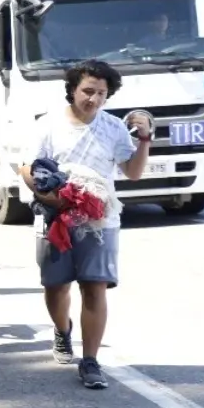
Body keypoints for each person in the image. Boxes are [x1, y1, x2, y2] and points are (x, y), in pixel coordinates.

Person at [19, 59, 150, 389]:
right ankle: (62, 332)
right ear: (73, 90)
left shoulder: (114, 128)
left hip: (100, 221)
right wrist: (53, 200)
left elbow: (133, 173)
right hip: (54, 217)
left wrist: (145, 140)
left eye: (101, 93)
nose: (93, 99)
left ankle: (90, 361)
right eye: (87, 91)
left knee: (95, 287)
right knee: (56, 286)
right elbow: (25, 168)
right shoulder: (48, 125)